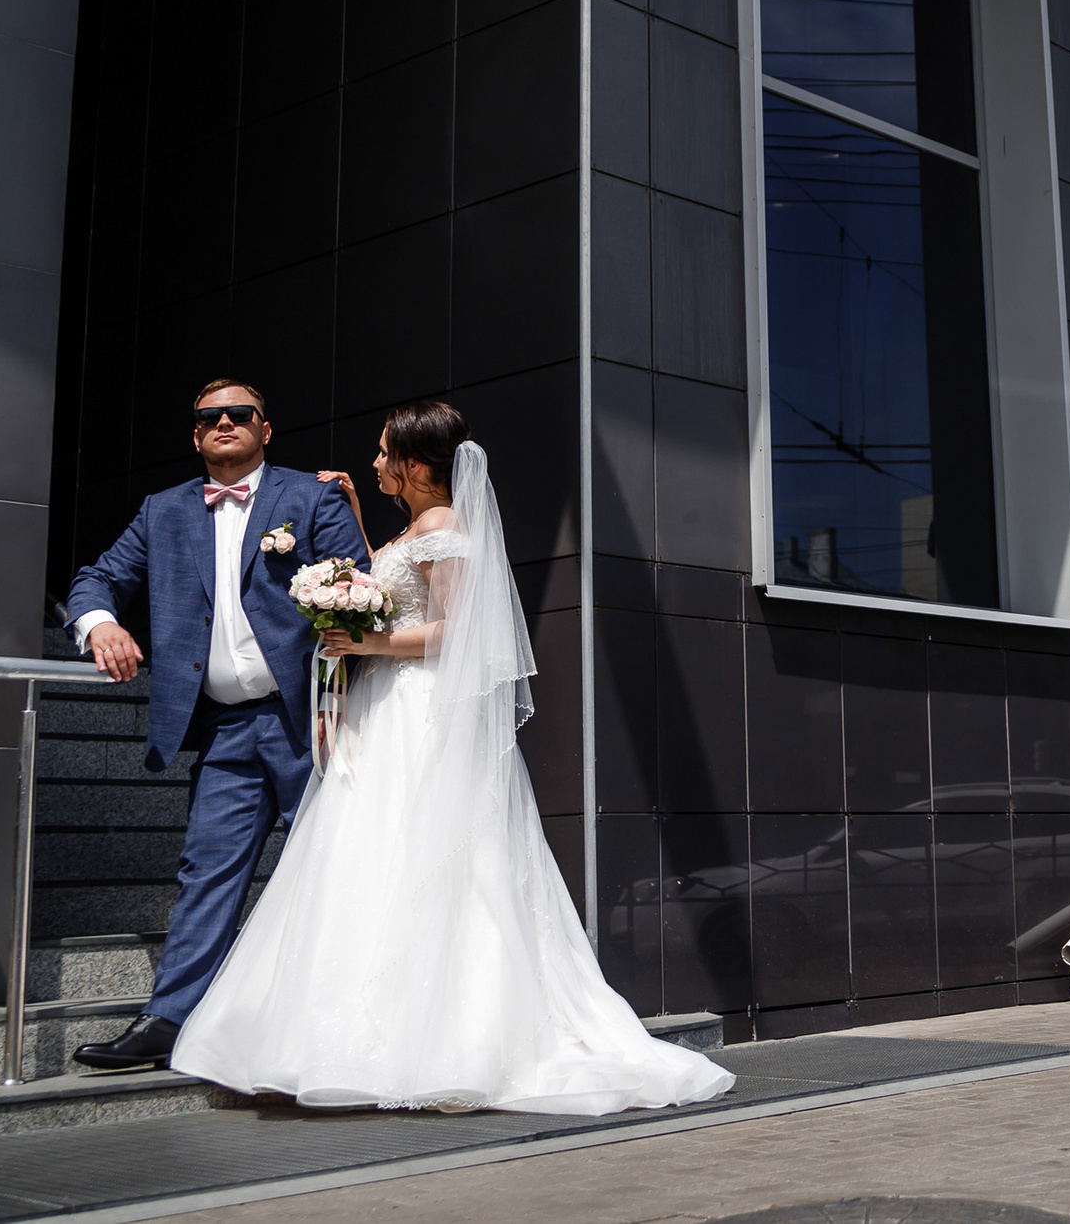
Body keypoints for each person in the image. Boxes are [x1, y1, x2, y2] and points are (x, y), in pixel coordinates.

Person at [167, 400, 734, 1113]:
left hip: (420, 708)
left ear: (413, 464)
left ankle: (435, 1045)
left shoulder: (443, 530)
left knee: (422, 858)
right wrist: (359, 547)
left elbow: (457, 630)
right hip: (390, 704)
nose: (373, 462)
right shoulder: (418, 527)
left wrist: (367, 643)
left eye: (382, 453)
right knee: (386, 861)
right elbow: (399, 595)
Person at [66, 381, 361, 1071]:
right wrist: (101, 622)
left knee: (328, 871)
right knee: (207, 872)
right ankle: (168, 1018)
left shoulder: (308, 496)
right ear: (195, 436)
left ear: (266, 428)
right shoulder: (162, 511)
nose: (224, 422)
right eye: (209, 417)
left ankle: (329, 1021)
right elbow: (96, 579)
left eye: (239, 414)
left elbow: (358, 585)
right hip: (224, 731)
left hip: (308, 724)